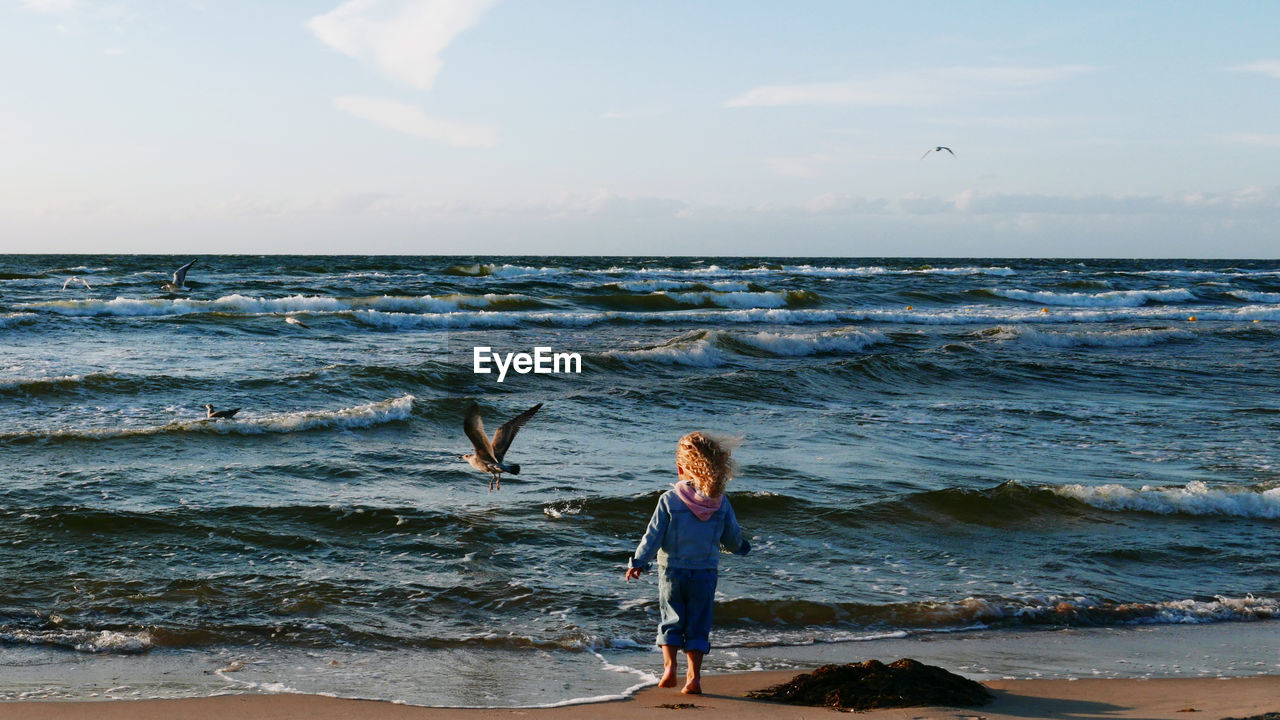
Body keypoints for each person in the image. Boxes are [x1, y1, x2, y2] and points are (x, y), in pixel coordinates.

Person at [625, 431, 751, 695]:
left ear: (682, 468)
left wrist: (638, 562)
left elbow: (653, 537)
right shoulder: (720, 502)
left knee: (671, 618)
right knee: (698, 624)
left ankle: (669, 668)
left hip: (672, 572)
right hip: (704, 573)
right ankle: (693, 678)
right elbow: (732, 538)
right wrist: (742, 548)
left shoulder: (669, 500)